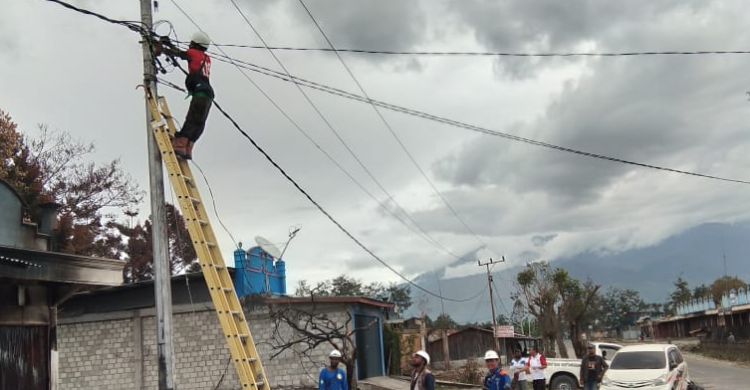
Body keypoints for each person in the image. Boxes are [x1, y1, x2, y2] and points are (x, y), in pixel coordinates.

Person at [154, 31, 215, 160]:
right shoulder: (207, 57)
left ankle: (180, 145)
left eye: (191, 43)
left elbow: (180, 54)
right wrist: (169, 45)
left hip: (200, 92)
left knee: (191, 119)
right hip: (208, 95)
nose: (189, 45)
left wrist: (165, 46)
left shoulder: (193, 53)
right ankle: (188, 148)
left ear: (195, 44)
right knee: (199, 122)